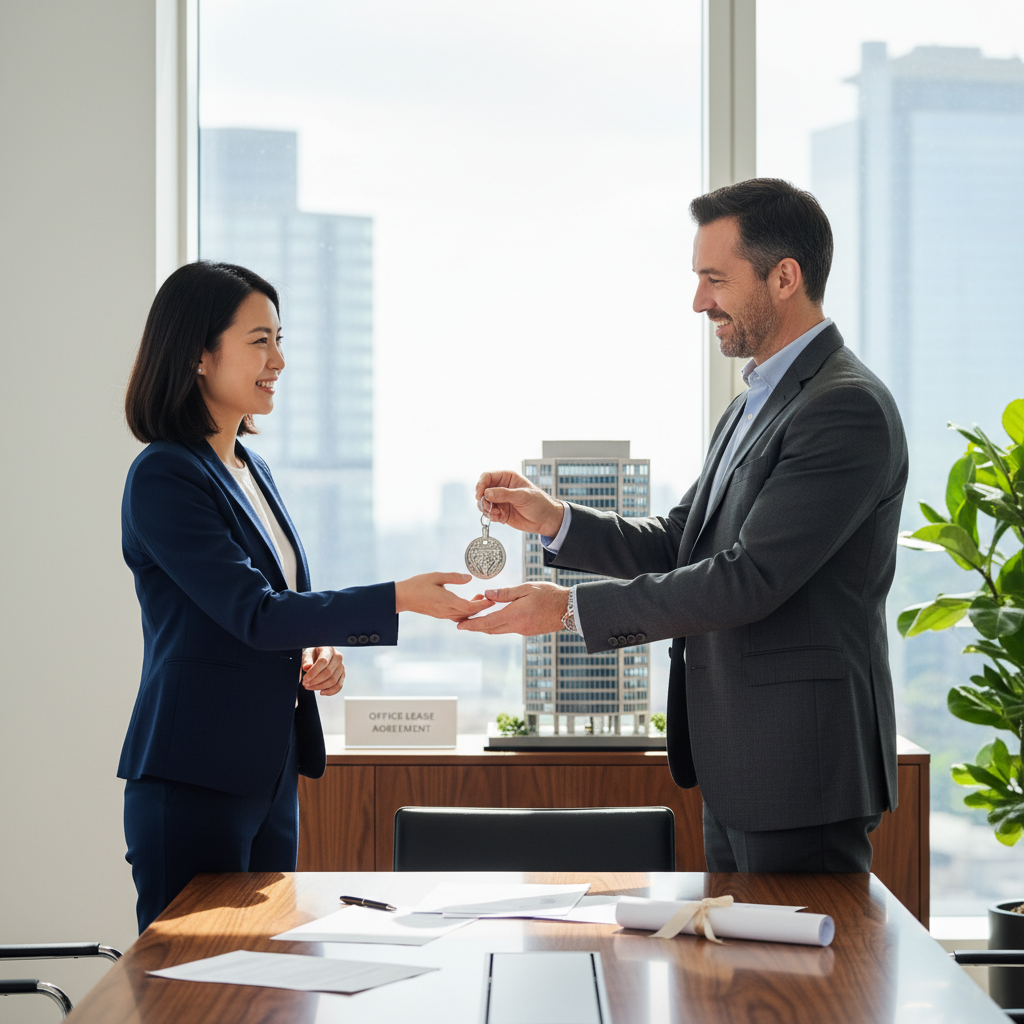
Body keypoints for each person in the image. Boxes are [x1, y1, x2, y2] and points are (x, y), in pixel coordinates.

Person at [459, 178, 908, 874]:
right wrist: (555, 519)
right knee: (744, 977)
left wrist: (567, 611)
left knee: (800, 982)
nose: (700, 301)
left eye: (715, 279)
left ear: (784, 277)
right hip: (741, 759)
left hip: (800, 766)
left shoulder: (843, 409)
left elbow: (749, 579)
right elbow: (682, 541)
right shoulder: (756, 401)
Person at [119, 261, 491, 932]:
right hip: (196, 778)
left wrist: (315, 652)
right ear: (199, 354)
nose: (279, 360)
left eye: (280, 339)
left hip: (268, 772)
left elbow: (270, 618)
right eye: (260, 340)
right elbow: (254, 613)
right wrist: (397, 598)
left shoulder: (249, 469)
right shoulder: (164, 475)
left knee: (267, 978)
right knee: (190, 986)